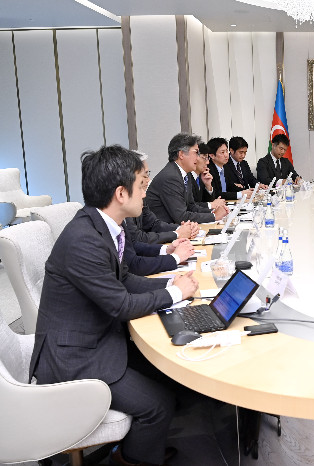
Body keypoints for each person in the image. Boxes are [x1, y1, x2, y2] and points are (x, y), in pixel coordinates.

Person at [29, 145, 200, 466]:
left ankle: (141, 448)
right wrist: (175, 294)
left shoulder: (103, 225)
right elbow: (121, 304)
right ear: (121, 193)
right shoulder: (85, 239)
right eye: (141, 186)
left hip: (96, 336)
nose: (146, 193)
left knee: (172, 374)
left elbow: (124, 279)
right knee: (159, 404)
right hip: (74, 359)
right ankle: (128, 459)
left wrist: (172, 286)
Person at [146, 133, 229, 224]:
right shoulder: (170, 177)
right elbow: (181, 216)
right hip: (166, 229)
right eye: (196, 153)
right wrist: (214, 216)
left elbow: (191, 207)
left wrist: (213, 211)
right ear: (181, 154)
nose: (197, 158)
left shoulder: (185, 173)